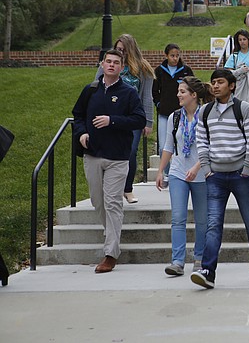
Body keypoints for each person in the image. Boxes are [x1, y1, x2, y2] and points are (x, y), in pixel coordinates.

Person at [191, 69, 249, 289]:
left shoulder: (243, 109)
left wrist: (247, 168)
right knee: (213, 224)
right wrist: (206, 169)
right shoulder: (205, 112)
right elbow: (202, 142)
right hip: (215, 176)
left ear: (231, 86)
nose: (215, 86)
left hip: (240, 175)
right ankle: (208, 271)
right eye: (213, 82)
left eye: (220, 82)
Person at [73, 49, 146, 273]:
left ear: (123, 67)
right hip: (93, 154)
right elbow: (77, 115)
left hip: (117, 158)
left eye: (116, 62)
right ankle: (111, 235)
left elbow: (139, 119)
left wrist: (112, 120)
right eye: (108, 61)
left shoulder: (129, 92)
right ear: (102, 64)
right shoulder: (90, 90)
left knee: (112, 202)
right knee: (98, 201)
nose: (112, 65)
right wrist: (82, 133)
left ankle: (111, 253)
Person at [156, 76, 211, 277]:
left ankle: (200, 258)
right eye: (178, 91)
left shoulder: (206, 115)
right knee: (177, 218)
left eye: (182, 92)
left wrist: (198, 167)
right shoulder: (175, 117)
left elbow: (212, 146)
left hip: (202, 174)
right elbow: (168, 147)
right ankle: (177, 261)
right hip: (179, 172)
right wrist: (161, 171)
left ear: (194, 95)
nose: (178, 95)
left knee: (202, 219)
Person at [97, 34, 154, 205]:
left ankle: (128, 189)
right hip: (109, 116)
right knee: (108, 152)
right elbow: (96, 88)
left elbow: (147, 97)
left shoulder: (143, 69)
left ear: (131, 49)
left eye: (123, 50)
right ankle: (110, 189)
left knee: (130, 151)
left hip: (132, 117)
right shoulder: (108, 65)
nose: (120, 53)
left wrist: (148, 121)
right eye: (118, 49)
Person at [153, 43, 194, 158]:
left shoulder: (186, 70)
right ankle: (166, 173)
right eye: (172, 55)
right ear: (166, 55)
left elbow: (193, 88)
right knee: (163, 147)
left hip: (182, 113)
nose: (175, 58)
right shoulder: (159, 71)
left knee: (180, 145)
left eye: (177, 55)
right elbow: (154, 91)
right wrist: (159, 103)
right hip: (164, 113)